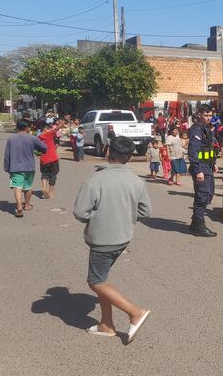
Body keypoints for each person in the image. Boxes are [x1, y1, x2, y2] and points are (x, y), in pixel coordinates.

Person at [73, 136, 152, 340]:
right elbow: (145, 211)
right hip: (123, 237)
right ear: (129, 157)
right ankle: (106, 325)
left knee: (95, 282)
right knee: (103, 280)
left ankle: (135, 312)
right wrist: (125, 214)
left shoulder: (95, 180)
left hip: (102, 239)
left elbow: (81, 212)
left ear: (109, 151)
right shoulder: (136, 180)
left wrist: (100, 216)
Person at [4, 120, 47, 218]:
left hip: (15, 167)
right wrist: (37, 149)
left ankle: (19, 206)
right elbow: (44, 148)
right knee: (28, 186)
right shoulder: (32, 138)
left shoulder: (11, 139)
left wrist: (6, 167)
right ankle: (26, 205)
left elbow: (7, 155)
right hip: (29, 167)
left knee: (17, 187)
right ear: (27, 128)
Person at [187, 105, 218, 237]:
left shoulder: (206, 129)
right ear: (199, 114)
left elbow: (208, 149)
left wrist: (213, 163)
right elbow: (193, 152)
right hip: (201, 167)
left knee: (209, 194)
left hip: (208, 166)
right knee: (202, 196)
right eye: (206, 115)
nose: (208, 118)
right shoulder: (196, 129)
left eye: (210, 115)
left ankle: (195, 222)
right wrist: (198, 169)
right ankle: (199, 225)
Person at [38, 119, 65, 199]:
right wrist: (62, 121)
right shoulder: (48, 134)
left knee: (44, 174)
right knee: (53, 175)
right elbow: (57, 128)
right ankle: (50, 192)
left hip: (43, 160)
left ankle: (43, 186)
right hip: (53, 159)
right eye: (49, 129)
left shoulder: (38, 137)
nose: (50, 130)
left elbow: (36, 151)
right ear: (46, 129)